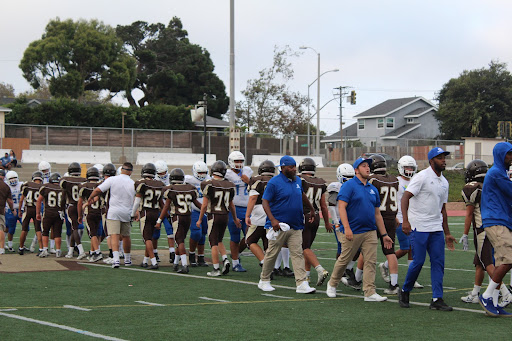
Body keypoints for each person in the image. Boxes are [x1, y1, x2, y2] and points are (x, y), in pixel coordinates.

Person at [326, 157, 392, 302]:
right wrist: (347, 228)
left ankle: (369, 292)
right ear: (356, 170)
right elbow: (341, 207)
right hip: (353, 230)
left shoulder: (372, 188)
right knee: (344, 259)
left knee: (370, 261)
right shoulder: (349, 186)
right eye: (363, 166)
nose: (367, 168)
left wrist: (384, 234)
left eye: (368, 166)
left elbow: (377, 214)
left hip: (370, 231)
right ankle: (332, 284)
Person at [398, 147, 456, 311]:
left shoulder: (444, 182)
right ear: (431, 161)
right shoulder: (421, 177)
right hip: (419, 226)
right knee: (418, 262)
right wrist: (406, 221)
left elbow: (443, 209)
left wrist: (447, 233)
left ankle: (437, 298)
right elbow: (405, 198)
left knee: (438, 262)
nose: (443, 160)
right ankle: (405, 290)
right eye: (440, 158)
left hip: (436, 228)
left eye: (444, 157)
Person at [258, 155, 317, 294]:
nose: (294, 169)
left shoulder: (297, 180)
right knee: (272, 254)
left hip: (296, 224)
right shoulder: (274, 183)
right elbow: (265, 201)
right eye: (291, 167)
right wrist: (272, 220)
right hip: (279, 225)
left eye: (294, 166)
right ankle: (264, 280)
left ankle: (301, 283)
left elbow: (301, 195)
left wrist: (311, 209)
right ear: (283, 168)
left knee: (297, 254)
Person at [479, 142, 512, 316]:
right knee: (508, 259)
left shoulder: (500, 172)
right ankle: (486, 295)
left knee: (501, 261)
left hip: (500, 219)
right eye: (509, 154)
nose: (511, 157)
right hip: (496, 220)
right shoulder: (497, 173)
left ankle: (492, 301)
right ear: (501, 155)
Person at [196, 160, 241, 277]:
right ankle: (225, 259)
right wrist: (235, 219)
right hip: (225, 215)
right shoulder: (230, 185)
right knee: (219, 239)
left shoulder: (208, 184)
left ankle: (216, 268)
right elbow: (232, 205)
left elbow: (205, 205)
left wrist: (200, 219)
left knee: (213, 243)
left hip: (213, 215)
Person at [88, 162, 135, 268]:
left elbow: (98, 190)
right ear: (131, 172)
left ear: (121, 170)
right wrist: (135, 211)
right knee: (126, 236)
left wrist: (90, 198)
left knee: (114, 235)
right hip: (126, 211)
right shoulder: (132, 182)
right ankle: (127, 259)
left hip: (113, 211)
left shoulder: (113, 179)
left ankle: (116, 259)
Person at [366, 154, 400, 295]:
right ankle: (394, 284)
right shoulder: (394, 180)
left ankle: (355, 277)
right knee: (390, 251)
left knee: (367, 249)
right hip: (391, 218)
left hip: (377, 218)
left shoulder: (373, 180)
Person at [157, 168, 200, 273]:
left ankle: (185, 265)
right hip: (188, 217)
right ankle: (176, 263)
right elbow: (197, 203)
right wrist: (206, 210)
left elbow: (166, 206)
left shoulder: (171, 189)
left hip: (178, 217)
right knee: (179, 240)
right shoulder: (190, 188)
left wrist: (159, 221)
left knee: (179, 241)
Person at [298, 157, 333, 286]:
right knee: (308, 247)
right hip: (317, 216)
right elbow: (323, 205)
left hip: (304, 216)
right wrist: (327, 222)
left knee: (304, 247)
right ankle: (306, 276)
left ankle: (320, 269)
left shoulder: (300, 180)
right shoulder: (320, 182)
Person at [132, 163, 164, 270]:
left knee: (147, 239)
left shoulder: (141, 183)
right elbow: (161, 202)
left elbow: (137, 202)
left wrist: (132, 214)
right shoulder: (159, 184)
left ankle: (154, 262)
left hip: (145, 212)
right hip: (155, 212)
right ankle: (145, 261)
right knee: (149, 237)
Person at [225, 151, 253, 272]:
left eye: (241, 161)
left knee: (250, 237)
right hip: (234, 208)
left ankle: (236, 253)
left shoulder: (248, 171)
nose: (239, 163)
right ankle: (236, 263)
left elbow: (255, 186)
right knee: (235, 236)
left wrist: (249, 181)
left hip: (247, 208)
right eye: (236, 161)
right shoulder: (227, 174)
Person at [245, 160, 275, 268]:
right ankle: (270, 268)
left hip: (259, 213)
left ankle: (264, 262)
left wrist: (247, 215)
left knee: (250, 240)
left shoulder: (257, 180)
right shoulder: (276, 180)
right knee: (268, 243)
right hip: (274, 214)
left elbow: (253, 198)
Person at [185, 161, 210, 267]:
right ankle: (191, 254)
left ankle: (200, 256)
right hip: (194, 210)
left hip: (207, 211)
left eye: (204, 172)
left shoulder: (210, 179)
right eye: (200, 172)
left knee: (203, 234)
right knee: (196, 233)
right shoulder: (188, 180)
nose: (202, 175)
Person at [60, 162, 87, 259]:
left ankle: (81, 251)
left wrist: (61, 209)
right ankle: (70, 252)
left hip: (71, 206)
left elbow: (63, 197)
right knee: (73, 228)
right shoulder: (84, 180)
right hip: (81, 206)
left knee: (74, 228)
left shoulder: (65, 181)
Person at [36, 173, 66, 257]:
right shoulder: (62, 189)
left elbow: (39, 200)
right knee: (57, 233)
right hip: (59, 213)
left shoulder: (46, 187)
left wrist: (38, 213)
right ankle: (58, 251)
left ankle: (45, 249)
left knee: (45, 232)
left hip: (48, 212)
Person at [77, 167, 103, 262]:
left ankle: (97, 252)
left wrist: (79, 215)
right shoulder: (101, 185)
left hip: (90, 212)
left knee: (92, 234)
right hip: (100, 212)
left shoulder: (84, 186)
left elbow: (80, 203)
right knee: (97, 233)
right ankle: (93, 252)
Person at [18, 171, 43, 255]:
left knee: (24, 229)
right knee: (38, 230)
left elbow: (21, 199)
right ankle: (40, 249)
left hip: (28, 208)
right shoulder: (42, 187)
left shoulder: (27, 184)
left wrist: (19, 210)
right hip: (36, 209)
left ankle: (21, 248)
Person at [4, 171, 23, 252]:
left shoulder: (22, 185)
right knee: (11, 228)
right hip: (10, 210)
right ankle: (10, 245)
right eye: (11, 179)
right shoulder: (5, 186)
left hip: (21, 209)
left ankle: (22, 244)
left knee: (25, 228)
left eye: (14, 178)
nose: (13, 180)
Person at [0, 169, 14, 254]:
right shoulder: (5, 186)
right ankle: (1, 248)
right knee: (1, 229)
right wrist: (12, 210)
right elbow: (10, 201)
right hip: (1, 209)